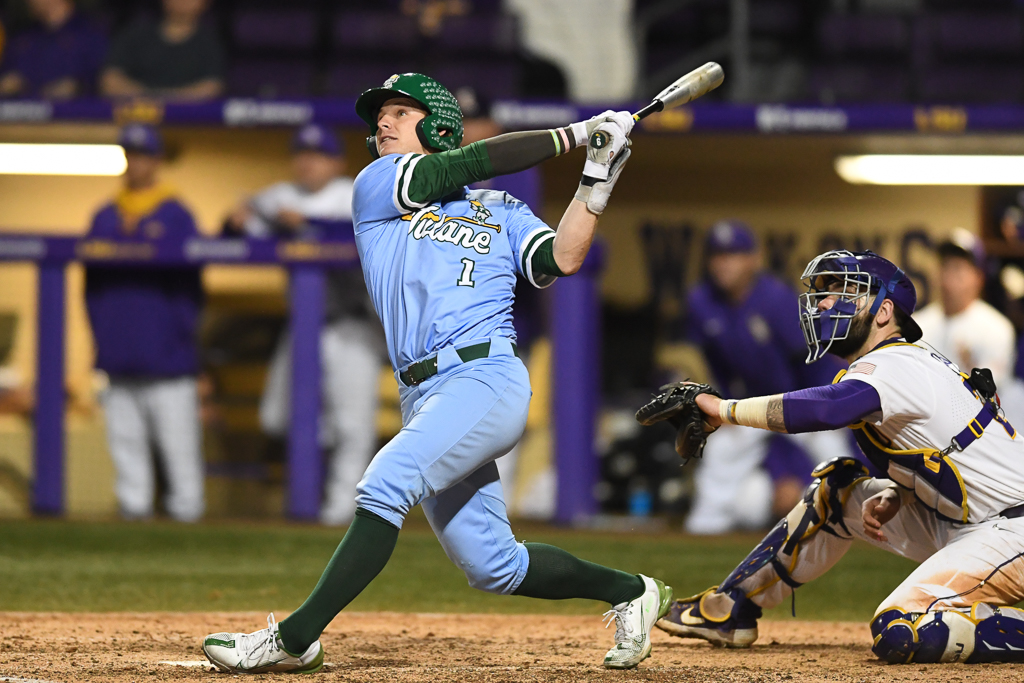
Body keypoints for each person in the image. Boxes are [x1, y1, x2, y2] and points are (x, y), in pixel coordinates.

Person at [201, 73, 673, 674]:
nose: (384, 123)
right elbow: (467, 162)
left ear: (439, 124)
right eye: (381, 117)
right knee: (493, 565)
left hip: (486, 379)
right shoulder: (377, 186)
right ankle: (632, 591)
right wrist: (577, 133)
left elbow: (562, 258)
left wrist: (597, 178)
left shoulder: (501, 208)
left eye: (401, 112)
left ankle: (294, 639)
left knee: (384, 483)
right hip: (423, 392)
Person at [652, 249, 1024, 665]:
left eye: (846, 291)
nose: (827, 302)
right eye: (826, 292)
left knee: (901, 628)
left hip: (1013, 531)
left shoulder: (897, 361)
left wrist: (723, 410)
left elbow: (826, 409)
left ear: (884, 312)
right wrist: (901, 493)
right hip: (976, 522)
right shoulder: (896, 364)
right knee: (838, 491)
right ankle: (729, 608)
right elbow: (942, 452)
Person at [224, 124, 383, 527]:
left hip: (353, 324)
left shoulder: (355, 191)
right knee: (277, 417)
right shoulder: (280, 195)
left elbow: (363, 235)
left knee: (353, 424)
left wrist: (306, 225)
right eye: (302, 154)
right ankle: (315, 492)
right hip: (303, 325)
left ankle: (342, 510)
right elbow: (233, 228)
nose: (308, 162)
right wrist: (237, 218)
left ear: (336, 162)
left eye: (318, 155)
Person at [684, 221, 854, 534]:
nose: (723, 263)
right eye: (717, 255)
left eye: (733, 254)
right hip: (749, 405)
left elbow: (812, 364)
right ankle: (704, 530)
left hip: (804, 399)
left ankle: (852, 528)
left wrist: (820, 411)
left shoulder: (777, 301)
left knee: (837, 461)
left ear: (754, 259)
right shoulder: (701, 302)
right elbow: (715, 363)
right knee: (721, 450)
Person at [84, 123, 205, 522]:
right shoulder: (104, 214)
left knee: (177, 445)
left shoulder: (177, 213)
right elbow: (91, 288)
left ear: (156, 160)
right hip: (118, 353)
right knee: (125, 442)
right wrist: (102, 339)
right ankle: (132, 511)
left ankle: (188, 516)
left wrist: (180, 337)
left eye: (143, 154)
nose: (135, 162)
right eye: (130, 154)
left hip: (168, 356)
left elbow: (191, 290)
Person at [915, 228, 1015, 389]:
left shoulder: (996, 329)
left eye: (958, 268)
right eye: (944, 265)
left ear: (978, 278)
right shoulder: (917, 325)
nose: (948, 275)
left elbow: (989, 395)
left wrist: (969, 364)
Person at [100, 0, 223, 100]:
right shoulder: (135, 35)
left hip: (193, 123)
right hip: (135, 118)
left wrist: (168, 100)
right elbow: (110, 81)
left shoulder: (211, 42)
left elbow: (212, 88)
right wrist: (150, 98)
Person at [0, 0, 107, 98]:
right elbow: (8, 79)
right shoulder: (23, 39)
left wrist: (78, 87)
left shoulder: (90, 36)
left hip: (76, 116)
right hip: (20, 115)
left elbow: (100, 83)